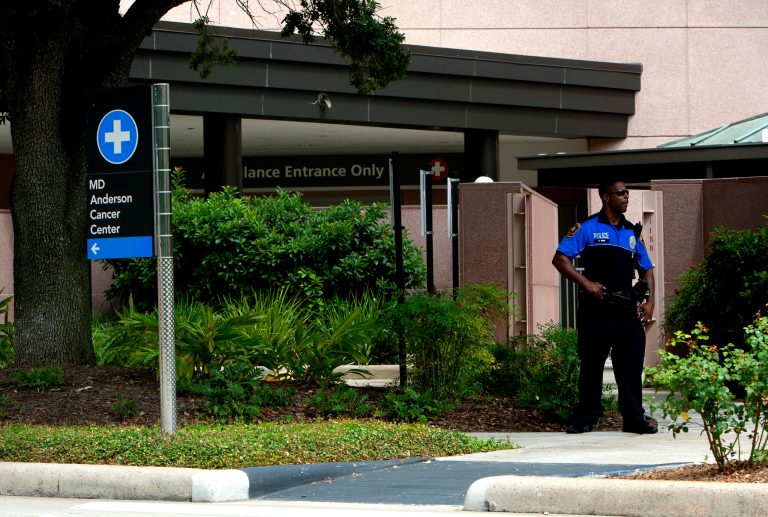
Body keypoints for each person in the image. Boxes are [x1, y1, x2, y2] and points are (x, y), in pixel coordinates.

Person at [552, 180, 658, 434]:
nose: (626, 197)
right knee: (591, 363)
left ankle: (633, 419)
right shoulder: (586, 227)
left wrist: (650, 301)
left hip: (626, 308)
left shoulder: (633, 231)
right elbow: (560, 258)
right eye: (621, 193)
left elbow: (647, 268)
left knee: (631, 364)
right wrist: (587, 283)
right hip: (596, 308)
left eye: (627, 193)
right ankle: (587, 417)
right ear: (606, 197)